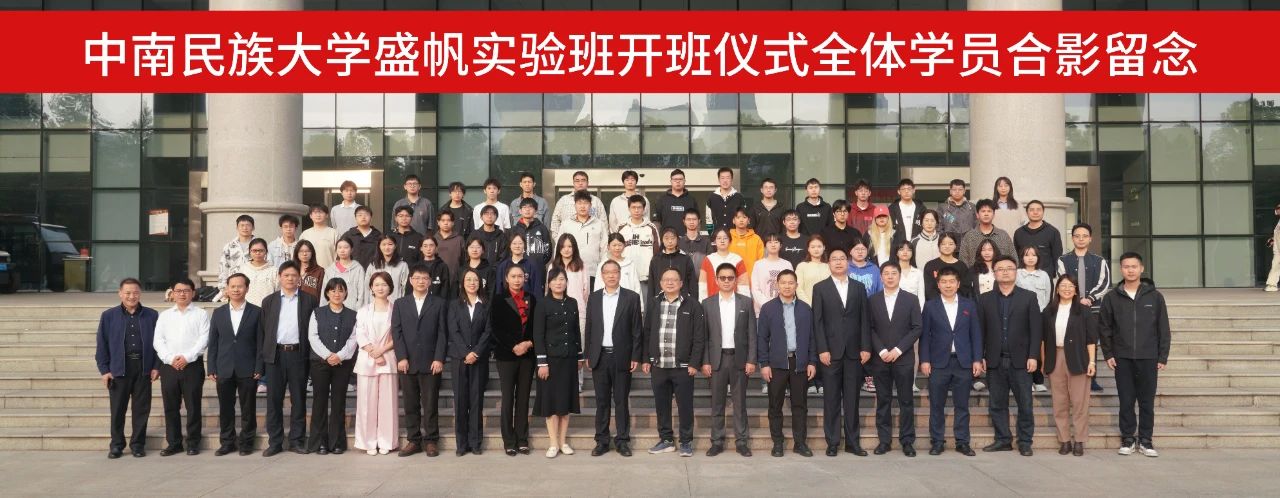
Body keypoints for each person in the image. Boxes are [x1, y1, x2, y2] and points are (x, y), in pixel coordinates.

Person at [1100, 252, 1171, 458]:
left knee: (1147, 402)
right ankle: (1128, 438)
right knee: (1126, 400)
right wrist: (1108, 353)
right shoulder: (1111, 297)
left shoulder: (1155, 297)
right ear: (1121, 269)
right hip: (1122, 357)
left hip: (1148, 357)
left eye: (1134, 266)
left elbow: (1163, 328)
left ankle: (1146, 440)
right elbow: (1104, 328)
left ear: (1141, 268)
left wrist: (1162, 356)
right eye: (1126, 266)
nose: (1130, 270)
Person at [978, 255, 1043, 457]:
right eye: (1000, 269)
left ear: (1016, 272)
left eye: (1009, 268)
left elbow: (1036, 330)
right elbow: (980, 330)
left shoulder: (1029, 297)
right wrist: (980, 355)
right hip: (995, 360)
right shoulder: (985, 299)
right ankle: (1003, 439)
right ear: (994, 273)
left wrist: (1033, 356)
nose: (1005, 272)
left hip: (1022, 361)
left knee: (1025, 404)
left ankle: (1025, 441)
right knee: (997, 404)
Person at [811, 247, 871, 457]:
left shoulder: (858, 287)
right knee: (831, 399)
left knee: (852, 399)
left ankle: (853, 443)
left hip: (854, 353)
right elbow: (817, 321)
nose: (838, 262)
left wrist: (866, 347)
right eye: (834, 259)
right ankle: (833, 442)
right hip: (830, 353)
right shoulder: (820, 288)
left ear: (848, 262)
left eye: (842, 258)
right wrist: (822, 349)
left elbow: (865, 319)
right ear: (828, 263)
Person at [643, 267, 708, 458]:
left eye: (674, 280)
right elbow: (647, 332)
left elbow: (699, 337)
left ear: (681, 283)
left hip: (683, 367)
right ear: (660, 283)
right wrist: (646, 358)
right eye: (666, 280)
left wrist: (694, 363)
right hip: (659, 365)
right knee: (662, 405)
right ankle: (666, 440)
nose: (670, 282)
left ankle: (686, 441)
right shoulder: (654, 303)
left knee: (685, 405)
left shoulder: (693, 304)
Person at [919, 267, 982, 457]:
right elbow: (925, 336)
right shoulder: (930, 306)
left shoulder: (969, 305)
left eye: (952, 281)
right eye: (944, 282)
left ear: (958, 284)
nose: (948, 285)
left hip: (963, 362)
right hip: (938, 362)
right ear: (938, 285)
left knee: (962, 405)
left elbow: (976, 334)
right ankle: (937, 442)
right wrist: (924, 360)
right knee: (936, 405)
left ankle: (962, 442)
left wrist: (977, 359)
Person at [584, 260, 644, 457]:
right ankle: (601, 441)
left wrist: (636, 356)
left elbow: (637, 330)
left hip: (622, 356)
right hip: (599, 356)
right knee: (601, 401)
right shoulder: (594, 298)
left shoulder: (632, 297)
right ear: (602, 275)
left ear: (619, 274)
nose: (611, 275)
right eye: (607, 272)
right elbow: (589, 328)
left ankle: (622, 441)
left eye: (614, 272)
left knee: (621, 401)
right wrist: (588, 354)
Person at [96, 277, 159, 459]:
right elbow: (102, 345)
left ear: (140, 294)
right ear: (120, 293)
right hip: (118, 369)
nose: (132, 296)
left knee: (141, 410)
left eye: (135, 293)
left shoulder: (152, 315)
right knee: (117, 410)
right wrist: (105, 370)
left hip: (143, 368)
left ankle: (138, 445)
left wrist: (156, 366)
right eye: (128, 293)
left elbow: (159, 343)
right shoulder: (108, 316)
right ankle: (116, 445)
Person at [391, 264, 449, 458]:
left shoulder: (439, 303)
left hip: (431, 361)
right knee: (410, 404)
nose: (421, 281)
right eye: (417, 278)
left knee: (430, 403)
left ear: (430, 281)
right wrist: (401, 357)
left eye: (424, 278)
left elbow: (443, 333)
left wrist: (439, 358)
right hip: (407, 362)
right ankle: (414, 440)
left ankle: (431, 440)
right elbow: (396, 332)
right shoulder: (400, 304)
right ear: (410, 280)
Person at [758, 270, 817, 457]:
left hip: (799, 363)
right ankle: (778, 442)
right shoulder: (768, 309)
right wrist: (764, 363)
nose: (787, 286)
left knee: (800, 405)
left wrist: (812, 361)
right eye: (783, 282)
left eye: (791, 283)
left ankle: (800, 443)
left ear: (796, 285)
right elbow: (762, 338)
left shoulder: (805, 309)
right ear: (777, 285)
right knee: (775, 405)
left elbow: (812, 338)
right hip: (776, 364)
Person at [260, 262, 317, 457]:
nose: (290, 278)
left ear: (299, 278)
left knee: (298, 400)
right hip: (275, 355)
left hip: (298, 355)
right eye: (286, 275)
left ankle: (296, 441)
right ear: (279, 277)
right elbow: (264, 331)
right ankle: (275, 442)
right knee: (273, 401)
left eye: (294, 275)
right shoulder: (269, 301)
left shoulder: (309, 300)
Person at [701, 263, 757, 457]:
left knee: (740, 403)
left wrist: (751, 359)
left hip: (739, 359)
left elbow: (752, 333)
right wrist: (705, 361)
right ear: (716, 280)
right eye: (722, 278)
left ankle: (741, 441)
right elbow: (704, 336)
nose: (726, 281)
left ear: (735, 280)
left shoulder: (746, 302)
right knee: (717, 403)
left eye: (730, 278)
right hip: (716, 359)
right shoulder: (707, 303)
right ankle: (717, 441)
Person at [868, 262, 922, 457]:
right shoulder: (872, 300)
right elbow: (869, 328)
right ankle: (884, 441)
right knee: (883, 400)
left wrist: (898, 350)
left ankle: (907, 441)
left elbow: (917, 327)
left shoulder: (911, 299)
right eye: (886, 273)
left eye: (894, 273)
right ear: (881, 277)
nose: (890, 277)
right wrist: (882, 350)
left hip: (904, 358)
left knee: (906, 400)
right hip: (880, 359)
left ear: (899, 276)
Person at [207, 273, 263, 457]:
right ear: (227, 289)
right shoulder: (219, 313)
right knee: (225, 408)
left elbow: (260, 342)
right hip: (224, 367)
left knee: (248, 408)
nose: (236, 289)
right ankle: (227, 442)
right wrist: (211, 367)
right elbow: (213, 342)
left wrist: (259, 367)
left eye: (240, 286)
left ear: (247, 288)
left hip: (248, 368)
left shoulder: (257, 312)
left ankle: (246, 442)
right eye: (233, 286)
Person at [153, 277, 209, 456]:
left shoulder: (201, 314)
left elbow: (204, 339)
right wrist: (171, 359)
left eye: (186, 291)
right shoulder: (164, 315)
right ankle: (174, 443)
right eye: (178, 291)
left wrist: (187, 357)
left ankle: (193, 443)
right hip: (169, 367)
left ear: (193, 293)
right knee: (171, 407)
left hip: (192, 366)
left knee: (193, 406)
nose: (182, 294)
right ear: (172, 293)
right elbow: (158, 340)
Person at [1042, 274, 1098, 456]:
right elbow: (1043, 339)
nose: (1067, 289)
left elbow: (1091, 339)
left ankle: (1079, 440)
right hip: (1055, 357)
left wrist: (1092, 361)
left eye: (1071, 286)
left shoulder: (1084, 311)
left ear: (1075, 291)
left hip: (1079, 358)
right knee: (1059, 402)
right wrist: (1043, 361)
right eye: (1063, 285)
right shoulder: (1049, 311)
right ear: (1057, 289)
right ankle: (1064, 440)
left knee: (1079, 403)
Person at [533, 269, 584, 458]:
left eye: (562, 279)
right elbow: (538, 335)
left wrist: (579, 356)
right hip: (551, 362)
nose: (558, 283)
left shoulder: (572, 303)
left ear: (566, 282)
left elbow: (576, 331)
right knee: (552, 404)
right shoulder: (542, 304)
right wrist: (542, 363)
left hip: (569, 359)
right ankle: (553, 443)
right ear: (549, 283)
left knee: (565, 403)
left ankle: (563, 441)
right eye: (554, 280)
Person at [305, 277, 357, 455]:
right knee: (319, 401)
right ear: (327, 292)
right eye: (333, 290)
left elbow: (353, 339)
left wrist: (339, 356)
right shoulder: (317, 312)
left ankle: (337, 442)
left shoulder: (353, 315)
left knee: (338, 402)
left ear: (346, 293)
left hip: (343, 364)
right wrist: (328, 355)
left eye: (341, 290)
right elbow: (313, 337)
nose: (337, 294)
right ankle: (319, 442)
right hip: (320, 364)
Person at [1057, 222, 1111, 392]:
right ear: (1072, 238)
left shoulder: (1099, 261)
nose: (1081, 239)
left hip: (1092, 309)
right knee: (1070, 341)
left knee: (1091, 341)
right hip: (1069, 307)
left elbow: (1104, 282)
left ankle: (1091, 378)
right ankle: (1070, 376)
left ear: (1090, 239)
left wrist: (1089, 298)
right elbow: (1062, 281)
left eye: (1085, 236)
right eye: (1077, 236)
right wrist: (1077, 298)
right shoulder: (1063, 260)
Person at [353, 271, 400, 456]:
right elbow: (360, 334)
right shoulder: (363, 311)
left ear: (390, 287)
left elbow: (399, 334)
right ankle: (367, 441)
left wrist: (382, 351)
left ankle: (387, 440)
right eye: (377, 284)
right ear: (371, 287)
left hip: (388, 359)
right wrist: (373, 352)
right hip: (367, 360)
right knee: (366, 403)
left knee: (388, 403)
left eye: (384, 284)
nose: (380, 288)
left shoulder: (396, 309)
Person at [492, 265, 537, 456]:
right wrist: (513, 346)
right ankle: (509, 440)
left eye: (520, 276)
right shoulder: (498, 299)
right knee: (508, 397)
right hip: (506, 356)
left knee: (523, 398)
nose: (517, 280)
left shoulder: (532, 298)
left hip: (527, 355)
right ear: (506, 278)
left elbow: (536, 326)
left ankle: (522, 439)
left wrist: (528, 343)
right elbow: (496, 328)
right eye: (513, 276)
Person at [448, 268, 493, 456]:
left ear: (480, 283)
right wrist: (466, 353)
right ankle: (461, 443)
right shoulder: (454, 305)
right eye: (468, 279)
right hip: (459, 359)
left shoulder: (486, 304)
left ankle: (475, 442)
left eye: (475, 280)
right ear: (462, 283)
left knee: (476, 401)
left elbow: (488, 331)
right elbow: (453, 330)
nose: (472, 283)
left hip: (479, 359)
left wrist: (476, 352)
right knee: (460, 402)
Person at [557, 190, 610, 288]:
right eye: (579, 203)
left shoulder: (599, 224)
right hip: (570, 272)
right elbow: (558, 247)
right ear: (575, 205)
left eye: (585, 203)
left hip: (593, 272)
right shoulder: (566, 224)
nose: (582, 206)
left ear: (590, 205)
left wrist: (602, 269)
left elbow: (604, 249)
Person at [617, 195, 660, 300]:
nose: (636, 210)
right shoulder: (621, 228)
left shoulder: (651, 228)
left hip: (645, 278)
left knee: (644, 307)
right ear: (629, 208)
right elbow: (615, 251)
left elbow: (657, 253)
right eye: (633, 207)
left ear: (644, 209)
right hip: (625, 276)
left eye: (639, 207)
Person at [551, 234, 590, 336]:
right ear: (559, 248)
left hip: (578, 311)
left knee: (579, 342)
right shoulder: (553, 266)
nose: (566, 249)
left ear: (574, 248)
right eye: (563, 246)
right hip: (556, 311)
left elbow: (586, 291)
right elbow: (549, 289)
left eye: (569, 246)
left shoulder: (582, 266)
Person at [959, 199, 1017, 267]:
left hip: (1000, 273)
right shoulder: (969, 236)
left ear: (994, 215)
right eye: (983, 211)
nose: (986, 214)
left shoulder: (1003, 235)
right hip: (975, 273)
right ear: (977, 215)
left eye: (989, 211)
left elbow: (1014, 258)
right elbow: (963, 261)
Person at [1013, 200, 1063, 278]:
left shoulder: (1052, 232)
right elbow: (1015, 255)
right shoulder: (1019, 233)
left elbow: (1057, 256)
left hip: (1046, 277)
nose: (1035, 212)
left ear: (1043, 212)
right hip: (1023, 277)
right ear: (1027, 212)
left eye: (1038, 210)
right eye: (1032, 210)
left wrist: (1052, 274)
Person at [550, 170, 606, 235]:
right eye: (577, 181)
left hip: (591, 239)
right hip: (568, 239)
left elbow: (603, 222)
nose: (580, 183)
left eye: (583, 180)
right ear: (573, 183)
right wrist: (558, 239)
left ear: (588, 183)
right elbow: (555, 221)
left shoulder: (596, 201)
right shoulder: (563, 200)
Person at [751, 233, 794, 317]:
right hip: (762, 310)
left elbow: (791, 286)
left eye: (776, 242)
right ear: (765, 245)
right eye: (770, 242)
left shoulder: (787, 264)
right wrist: (768, 306)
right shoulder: (758, 264)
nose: (773, 245)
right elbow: (755, 288)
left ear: (780, 245)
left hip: (784, 309)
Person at [649, 227, 697, 300]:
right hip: (660, 299)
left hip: (683, 299)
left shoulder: (685, 258)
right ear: (662, 240)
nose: (670, 241)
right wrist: (651, 302)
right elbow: (651, 283)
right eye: (666, 238)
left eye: (672, 238)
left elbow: (692, 282)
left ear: (677, 239)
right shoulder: (656, 259)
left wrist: (693, 301)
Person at [595, 233, 643, 305]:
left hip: (628, 303)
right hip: (608, 302)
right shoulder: (603, 265)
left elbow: (636, 286)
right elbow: (598, 286)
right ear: (608, 247)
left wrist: (640, 306)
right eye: (614, 245)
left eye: (620, 245)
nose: (617, 248)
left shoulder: (630, 264)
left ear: (624, 245)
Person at [322, 237, 367, 310]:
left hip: (352, 310)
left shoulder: (358, 269)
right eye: (339, 247)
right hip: (332, 310)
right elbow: (324, 293)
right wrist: (323, 310)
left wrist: (358, 311)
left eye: (346, 247)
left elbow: (362, 293)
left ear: (351, 250)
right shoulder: (330, 270)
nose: (342, 250)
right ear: (336, 250)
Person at [496, 233, 546, 298]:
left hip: (527, 301)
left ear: (524, 245)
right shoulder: (503, 266)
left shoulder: (532, 265)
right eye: (514, 243)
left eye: (520, 243)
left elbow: (537, 290)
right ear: (510, 245)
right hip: (507, 302)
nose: (517, 246)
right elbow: (499, 289)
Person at [701, 228, 747, 300]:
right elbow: (702, 285)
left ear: (730, 241)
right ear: (714, 241)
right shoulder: (708, 259)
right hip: (713, 301)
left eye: (725, 238)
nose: (722, 241)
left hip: (734, 301)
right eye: (719, 238)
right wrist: (702, 302)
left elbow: (743, 285)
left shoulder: (738, 259)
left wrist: (744, 303)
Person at [923, 233, 970, 302]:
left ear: (955, 246)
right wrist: (943, 303)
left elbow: (965, 289)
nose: (947, 246)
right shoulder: (930, 265)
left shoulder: (962, 266)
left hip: (957, 303)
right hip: (936, 304)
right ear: (939, 246)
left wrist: (953, 302)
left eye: (951, 244)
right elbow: (929, 290)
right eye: (943, 244)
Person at [216, 214, 255, 293]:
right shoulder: (229, 246)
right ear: (237, 228)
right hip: (234, 286)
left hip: (254, 284)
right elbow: (224, 267)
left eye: (248, 225)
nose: (245, 228)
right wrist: (223, 287)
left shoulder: (259, 245)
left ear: (253, 228)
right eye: (242, 225)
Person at [656, 168, 700, 232]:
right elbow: (656, 221)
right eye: (675, 179)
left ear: (684, 181)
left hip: (687, 237)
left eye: (680, 179)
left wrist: (696, 236)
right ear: (671, 181)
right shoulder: (662, 200)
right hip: (668, 237)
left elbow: (697, 221)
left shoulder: (691, 200)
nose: (678, 181)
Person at [511, 197, 553, 263]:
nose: (527, 210)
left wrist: (540, 263)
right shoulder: (514, 229)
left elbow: (548, 249)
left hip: (538, 266)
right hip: (519, 266)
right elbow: (510, 249)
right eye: (524, 207)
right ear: (520, 211)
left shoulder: (542, 228)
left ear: (535, 211)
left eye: (530, 207)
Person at [729, 207, 764, 284]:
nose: (741, 220)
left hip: (751, 281)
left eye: (744, 217)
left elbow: (761, 262)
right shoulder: (727, 237)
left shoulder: (756, 239)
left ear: (748, 221)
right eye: (738, 217)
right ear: (733, 220)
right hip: (730, 281)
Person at [369, 235, 409, 302]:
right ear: (379, 246)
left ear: (395, 246)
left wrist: (402, 304)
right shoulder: (373, 265)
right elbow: (367, 287)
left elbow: (405, 287)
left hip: (396, 304)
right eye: (383, 244)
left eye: (390, 244)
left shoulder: (402, 265)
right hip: (375, 304)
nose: (387, 247)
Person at [706, 167, 746, 232]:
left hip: (735, 235)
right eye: (722, 178)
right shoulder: (712, 197)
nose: (725, 180)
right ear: (718, 180)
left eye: (728, 178)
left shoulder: (739, 197)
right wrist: (711, 235)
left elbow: (744, 217)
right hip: (717, 235)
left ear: (732, 179)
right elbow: (708, 220)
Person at [241, 238, 278, 307]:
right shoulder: (243, 269)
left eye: (261, 250)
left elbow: (278, 292)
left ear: (266, 252)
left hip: (267, 308)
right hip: (247, 308)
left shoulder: (274, 271)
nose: (257, 253)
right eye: (254, 250)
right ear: (249, 252)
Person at [300, 205, 340, 269]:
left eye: (321, 212)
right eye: (315, 212)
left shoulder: (334, 233)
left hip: (329, 271)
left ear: (327, 215)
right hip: (309, 272)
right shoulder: (305, 234)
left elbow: (340, 256)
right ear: (310, 216)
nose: (318, 215)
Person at [794, 235, 828, 305]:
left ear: (824, 247)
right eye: (813, 247)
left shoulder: (828, 266)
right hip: (808, 306)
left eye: (819, 246)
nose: (816, 249)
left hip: (828, 306)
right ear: (808, 249)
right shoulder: (802, 266)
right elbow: (799, 289)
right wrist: (809, 305)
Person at [433, 209, 465, 277]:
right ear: (438, 222)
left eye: (449, 220)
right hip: (436, 278)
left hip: (455, 278)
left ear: (453, 223)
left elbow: (464, 261)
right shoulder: (433, 239)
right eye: (443, 220)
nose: (446, 223)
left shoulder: (459, 239)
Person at [895, 241, 926, 310]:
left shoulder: (918, 273)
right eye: (901, 249)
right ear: (897, 253)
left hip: (914, 309)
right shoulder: (892, 272)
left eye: (909, 250)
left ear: (912, 253)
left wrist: (919, 312)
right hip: (896, 309)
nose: (905, 252)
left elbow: (921, 296)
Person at [1266, 202, 1280, 292]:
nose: (1278, 210)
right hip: (1277, 249)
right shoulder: (1278, 222)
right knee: (1275, 265)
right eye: (1277, 208)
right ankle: (1272, 285)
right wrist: (1272, 240)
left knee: (1276, 265)